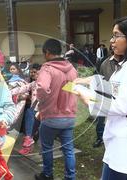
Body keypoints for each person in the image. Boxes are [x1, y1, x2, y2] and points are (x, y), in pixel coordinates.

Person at [74, 16, 127, 180]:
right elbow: (116, 88)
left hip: (124, 143)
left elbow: (121, 106)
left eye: (116, 35)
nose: (112, 41)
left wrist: (87, 97)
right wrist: (83, 82)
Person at [35, 39, 78, 180]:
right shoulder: (72, 69)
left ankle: (47, 175)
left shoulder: (47, 69)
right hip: (69, 116)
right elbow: (73, 89)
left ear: (47, 52)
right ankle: (70, 177)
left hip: (51, 117)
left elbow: (41, 88)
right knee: (68, 150)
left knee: (47, 147)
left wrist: (43, 105)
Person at [10, 63, 41, 155]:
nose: (32, 74)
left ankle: (29, 142)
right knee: (30, 130)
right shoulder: (33, 83)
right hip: (36, 110)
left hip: (45, 110)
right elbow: (22, 89)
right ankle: (28, 144)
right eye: (31, 72)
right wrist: (8, 92)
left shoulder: (46, 83)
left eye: (34, 72)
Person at [93, 53, 120, 148]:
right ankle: (100, 137)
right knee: (101, 119)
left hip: (120, 98)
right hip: (105, 96)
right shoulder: (105, 64)